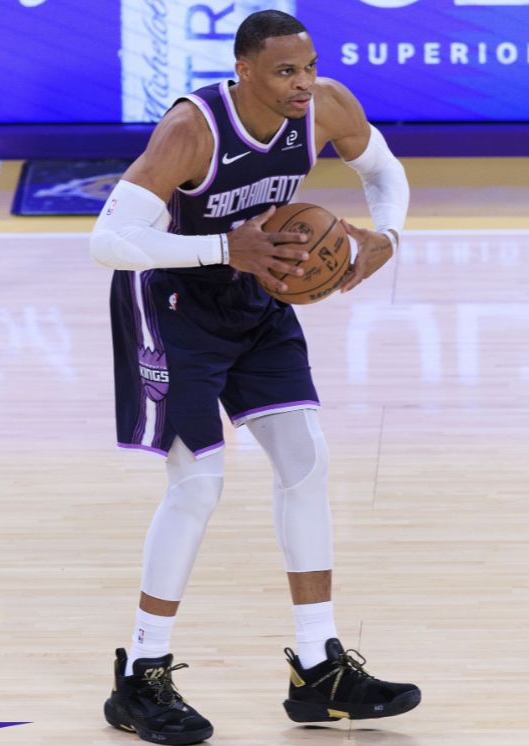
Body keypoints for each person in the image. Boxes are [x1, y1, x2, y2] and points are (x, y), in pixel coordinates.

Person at [90, 9, 418, 746]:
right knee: (198, 484)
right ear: (243, 71)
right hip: (171, 301)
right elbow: (108, 240)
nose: (304, 83)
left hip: (255, 291)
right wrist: (220, 249)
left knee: (306, 461)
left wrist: (386, 236)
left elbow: (383, 169)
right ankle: (139, 675)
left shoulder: (325, 107)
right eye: (285, 71)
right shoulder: (194, 130)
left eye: (309, 67)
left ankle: (319, 668)